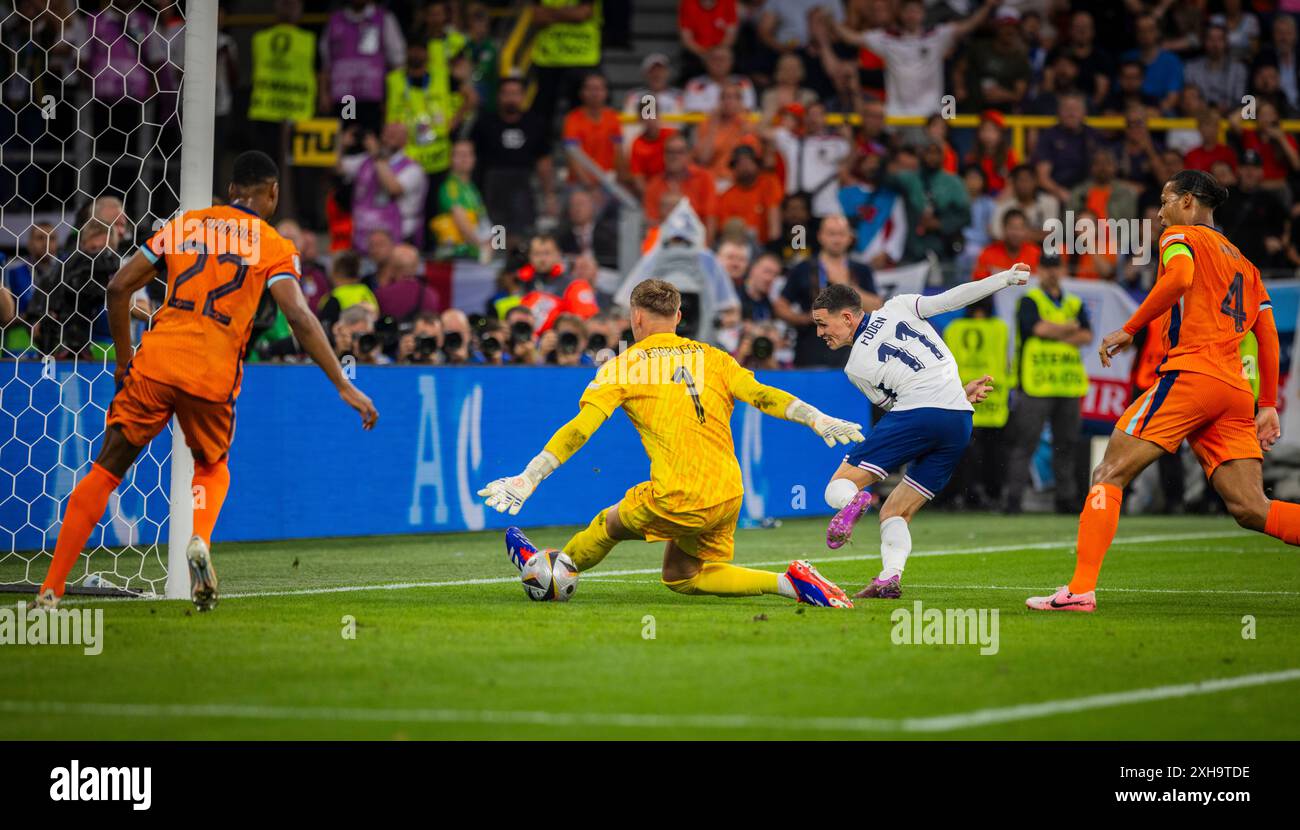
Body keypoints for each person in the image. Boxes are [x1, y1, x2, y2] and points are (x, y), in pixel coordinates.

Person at [31, 151, 378, 611]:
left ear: (232, 190)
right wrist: (342, 383)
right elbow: (298, 315)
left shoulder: (184, 225)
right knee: (211, 466)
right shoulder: (273, 245)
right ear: (272, 193)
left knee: (106, 469)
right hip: (212, 374)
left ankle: (50, 591)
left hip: (155, 363)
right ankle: (199, 541)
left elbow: (117, 288)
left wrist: (123, 359)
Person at [479, 278, 864, 607]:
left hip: (679, 494)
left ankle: (549, 571)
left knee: (608, 523)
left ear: (636, 318)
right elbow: (763, 395)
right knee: (683, 576)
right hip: (728, 493)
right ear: (679, 318)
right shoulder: (715, 357)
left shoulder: (623, 365)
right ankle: (790, 583)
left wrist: (529, 477)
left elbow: (582, 428)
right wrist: (817, 417)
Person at [1027, 170, 1297, 613]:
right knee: (1252, 507)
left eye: (1166, 200)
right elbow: (1266, 335)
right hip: (1234, 388)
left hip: (1192, 375)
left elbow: (1178, 281)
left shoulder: (1180, 237)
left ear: (1188, 202)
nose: (1160, 211)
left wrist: (1129, 328)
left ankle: (1078, 590)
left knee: (1108, 472)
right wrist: (1266, 403)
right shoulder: (1245, 263)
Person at [810, 265, 1029, 598]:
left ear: (847, 318)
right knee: (897, 510)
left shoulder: (855, 367)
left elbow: (896, 405)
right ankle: (889, 578)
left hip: (919, 412)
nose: (820, 333)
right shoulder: (900, 305)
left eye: (822, 324)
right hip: (958, 418)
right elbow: (952, 299)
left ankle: (855, 500)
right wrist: (1004, 279)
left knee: (836, 487)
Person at [1001, 252, 1091, 515]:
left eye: (1057, 267)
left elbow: (1086, 335)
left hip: (1066, 384)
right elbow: (1037, 329)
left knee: (1067, 444)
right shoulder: (1030, 300)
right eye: (1048, 267)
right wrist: (1069, 328)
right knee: (1025, 443)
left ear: (1063, 270)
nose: (1053, 272)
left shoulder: (1073, 301)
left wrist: (1054, 331)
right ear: (1040, 270)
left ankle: (1066, 499)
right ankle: (1013, 499)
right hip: (1036, 384)